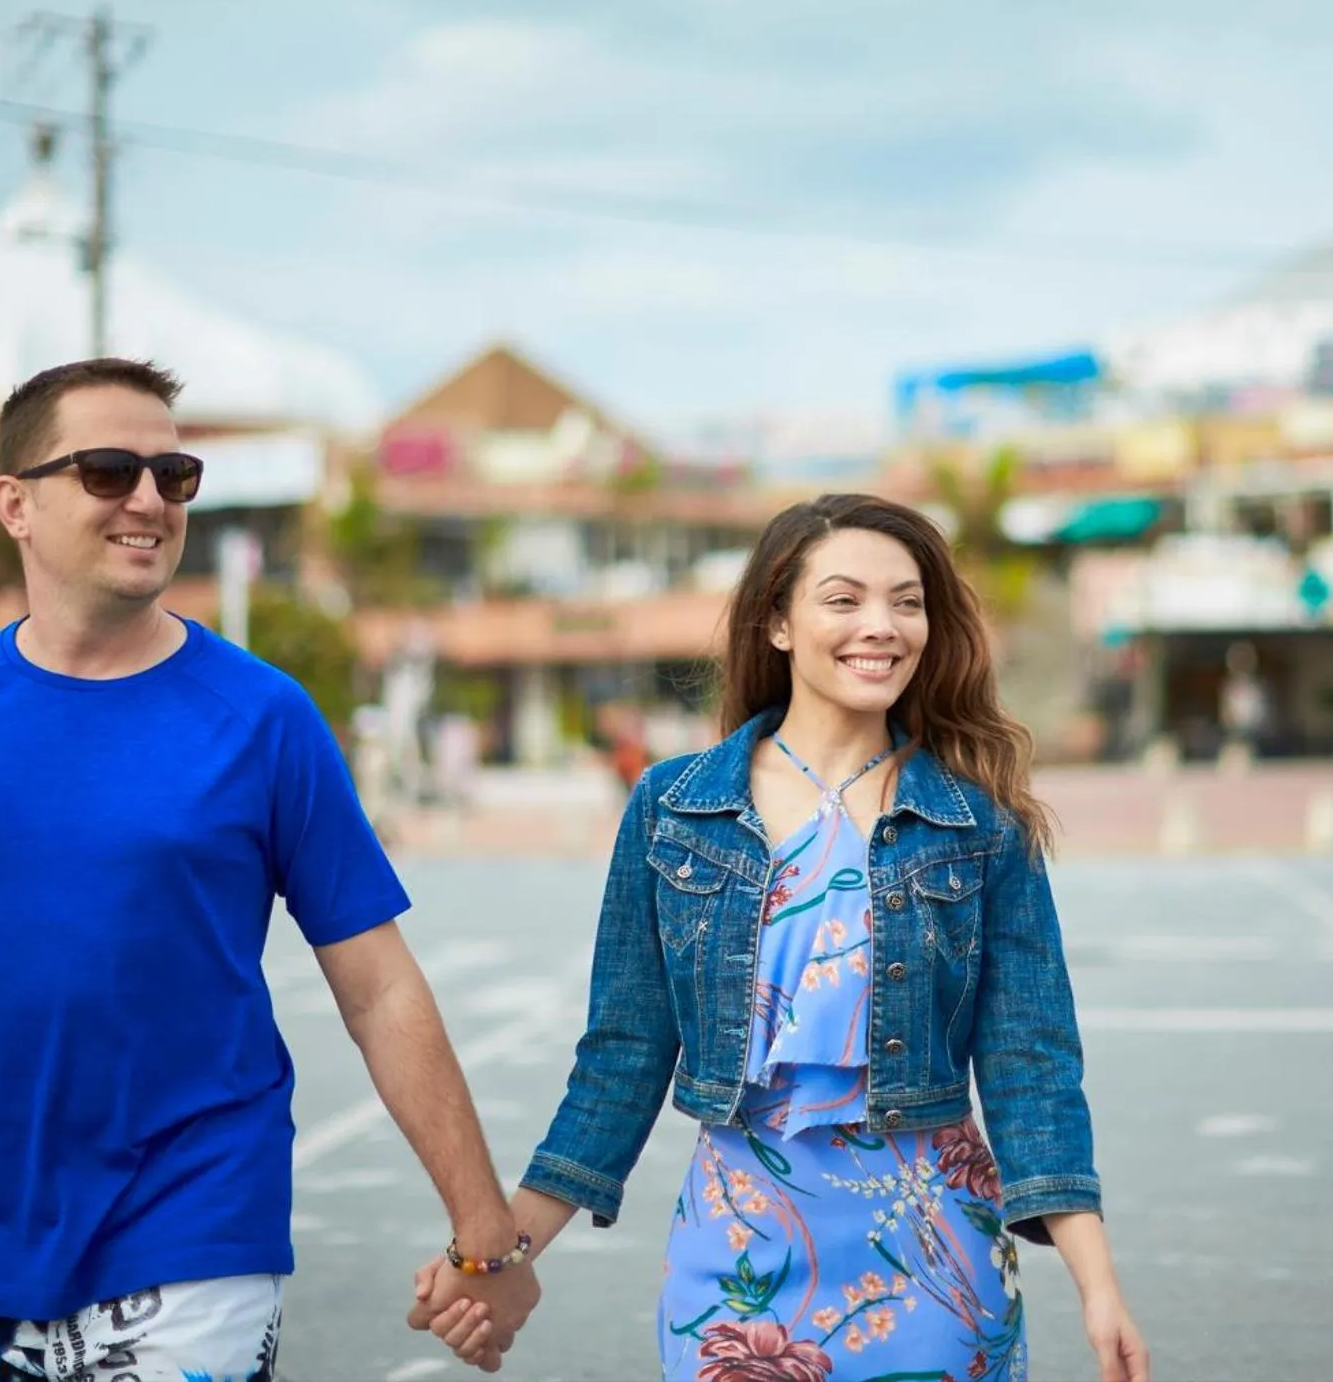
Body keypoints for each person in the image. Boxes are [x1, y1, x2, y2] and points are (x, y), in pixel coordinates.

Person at [0, 359, 538, 1382]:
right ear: (15, 504)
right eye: (109, 471)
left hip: (194, 1246)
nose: (150, 500)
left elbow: (378, 989)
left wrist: (485, 1233)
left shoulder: (264, 719)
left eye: (174, 474)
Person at [410, 494, 1147, 1380]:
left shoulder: (980, 823)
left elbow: (1032, 1066)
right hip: (737, 1256)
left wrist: (1099, 1288)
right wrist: (501, 1254)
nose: (881, 626)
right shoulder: (674, 809)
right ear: (778, 623)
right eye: (844, 599)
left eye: (906, 603)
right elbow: (622, 1057)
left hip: (936, 1259)